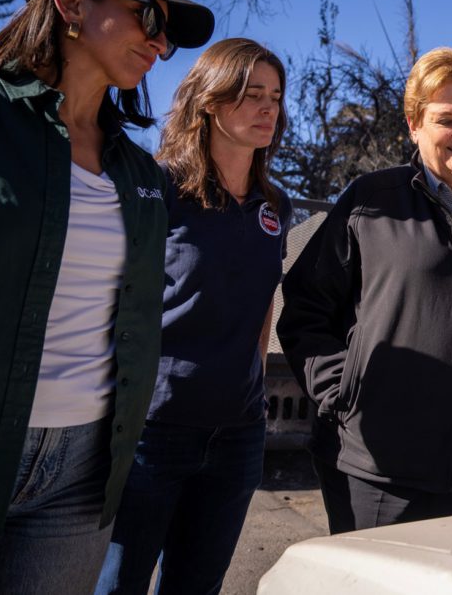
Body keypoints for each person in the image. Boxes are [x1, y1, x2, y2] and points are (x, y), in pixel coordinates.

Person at [0, 0, 213, 594]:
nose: (160, 44)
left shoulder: (140, 173)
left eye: (167, 35)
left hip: (85, 471)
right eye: (148, 17)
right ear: (69, 3)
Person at [277, 47, 452, 532]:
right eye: (446, 119)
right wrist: (342, 393)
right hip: (376, 468)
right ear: (415, 124)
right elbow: (306, 307)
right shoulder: (371, 204)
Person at [95, 38, 292, 594]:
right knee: (117, 587)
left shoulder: (275, 207)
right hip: (152, 434)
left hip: (238, 437)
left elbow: (262, 308)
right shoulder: (157, 190)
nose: (268, 109)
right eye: (251, 94)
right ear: (209, 102)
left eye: (275, 96)